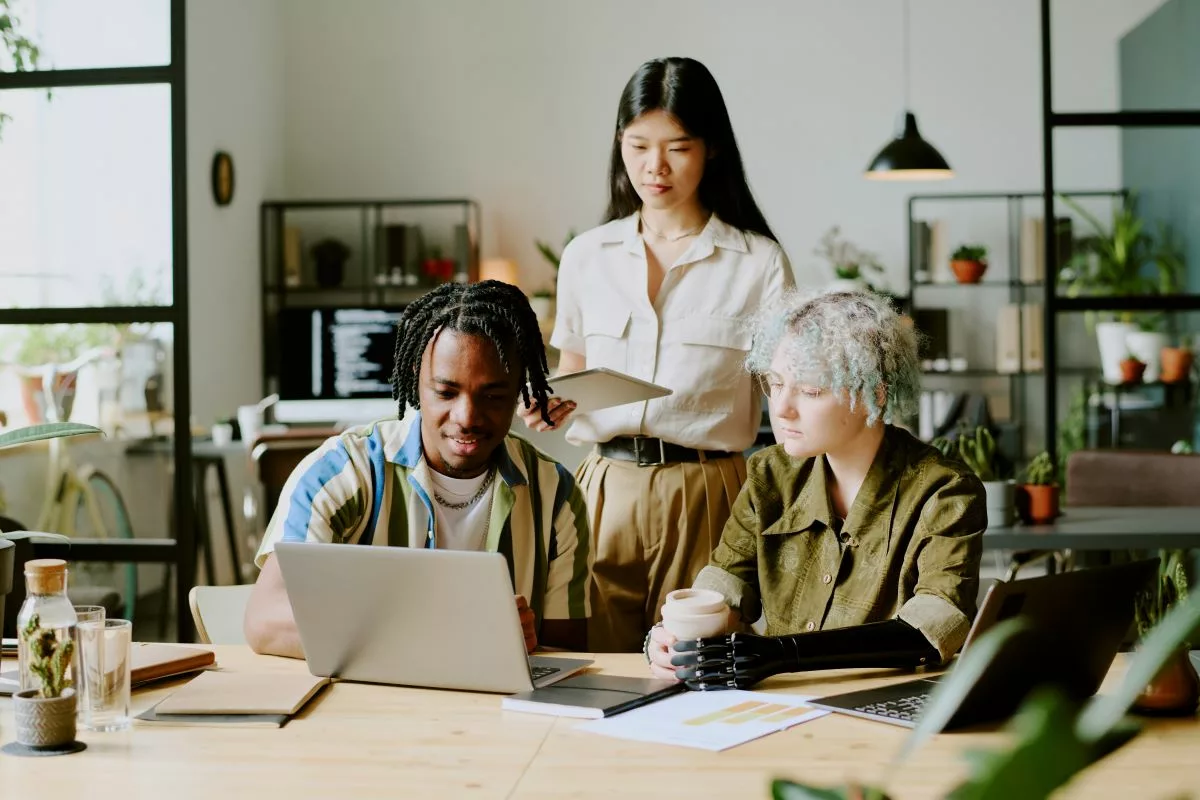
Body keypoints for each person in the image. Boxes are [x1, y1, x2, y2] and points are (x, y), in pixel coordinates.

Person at [519, 56, 794, 652]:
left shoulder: (758, 263)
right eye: (638, 145)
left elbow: (790, 394)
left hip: (709, 490)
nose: (655, 166)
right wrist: (548, 403)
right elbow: (570, 372)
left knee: (699, 664)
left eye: (678, 147)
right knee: (590, 659)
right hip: (603, 489)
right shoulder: (585, 256)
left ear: (712, 149)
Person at [646, 289, 986, 689]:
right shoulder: (769, 474)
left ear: (872, 394)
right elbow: (725, 584)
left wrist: (778, 655)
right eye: (775, 384)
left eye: (810, 391)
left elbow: (932, 627)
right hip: (778, 707)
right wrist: (667, 639)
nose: (782, 408)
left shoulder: (944, 491)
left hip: (882, 708)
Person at [245, 281, 592, 659]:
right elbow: (265, 622)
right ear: (416, 378)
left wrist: (529, 641)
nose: (467, 417)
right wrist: (445, 634)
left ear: (520, 388)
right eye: (445, 393)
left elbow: (567, 652)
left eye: (493, 396)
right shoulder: (341, 474)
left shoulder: (556, 494)